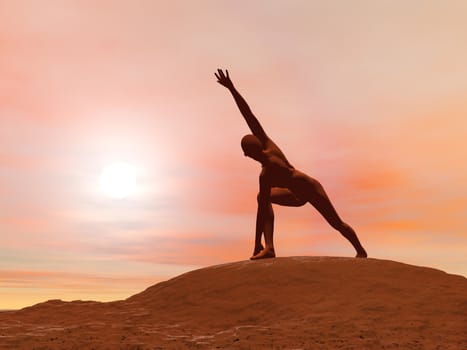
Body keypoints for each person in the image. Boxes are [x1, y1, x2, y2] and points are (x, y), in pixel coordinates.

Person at [214, 69, 368, 260]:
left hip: (310, 188)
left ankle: (360, 251)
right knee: (263, 198)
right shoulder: (267, 144)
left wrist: (255, 245)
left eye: (247, 154)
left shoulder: (267, 171)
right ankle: (269, 248)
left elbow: (249, 116)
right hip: (294, 196)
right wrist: (232, 89)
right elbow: (249, 116)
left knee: (336, 223)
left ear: (252, 152)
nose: (247, 157)